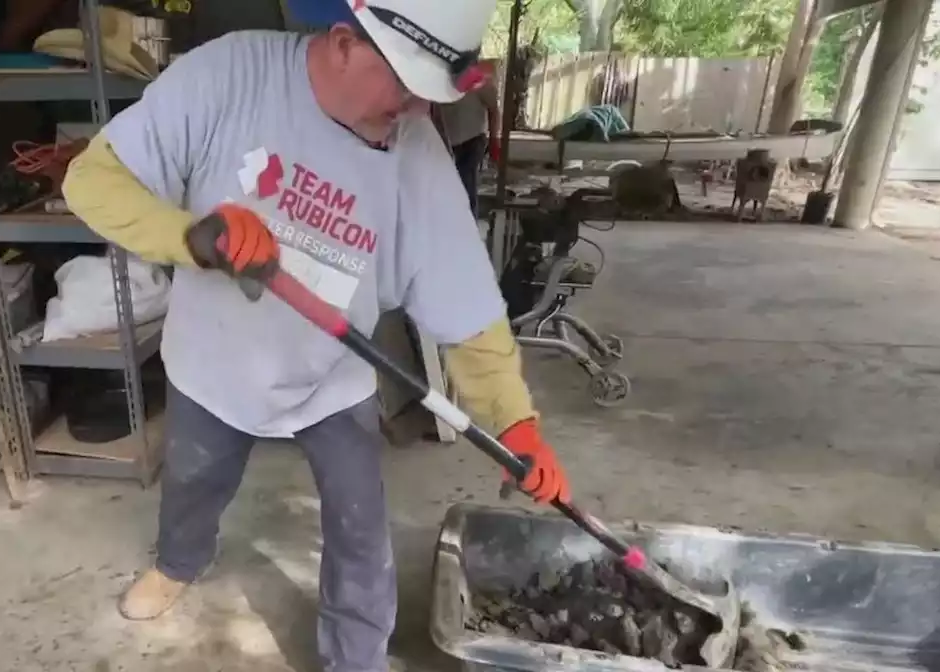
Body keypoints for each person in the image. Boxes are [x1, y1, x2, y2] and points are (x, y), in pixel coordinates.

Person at [61, 1, 570, 670]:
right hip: (215, 357)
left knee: (361, 529)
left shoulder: (416, 150)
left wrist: (515, 423)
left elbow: (466, 304)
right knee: (194, 481)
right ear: (342, 44)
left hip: (332, 372)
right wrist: (190, 237)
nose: (419, 107)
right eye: (407, 80)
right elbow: (92, 181)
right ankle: (179, 563)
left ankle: (356, 656)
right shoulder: (228, 77)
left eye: (430, 91)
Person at [435, 68, 500, 214]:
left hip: (472, 140)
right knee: (446, 188)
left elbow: (493, 109)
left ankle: (469, 226)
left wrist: (494, 139)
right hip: (446, 143)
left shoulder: (480, 81)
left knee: (466, 185)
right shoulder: (438, 79)